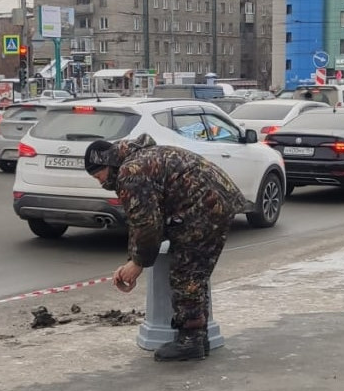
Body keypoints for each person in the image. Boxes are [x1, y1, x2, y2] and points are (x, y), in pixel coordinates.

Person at [85, 135, 247, 361]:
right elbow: (145, 219)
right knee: (192, 273)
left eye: (97, 175)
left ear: (106, 165)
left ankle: (191, 340)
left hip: (204, 208)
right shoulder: (139, 159)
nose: (99, 181)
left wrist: (137, 263)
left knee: (187, 275)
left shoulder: (130, 172)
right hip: (210, 201)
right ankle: (198, 337)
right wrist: (134, 257)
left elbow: (147, 224)